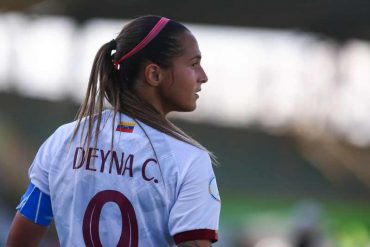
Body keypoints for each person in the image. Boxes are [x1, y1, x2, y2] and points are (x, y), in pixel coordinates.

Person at [6, 15, 221, 247]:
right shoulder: (188, 160)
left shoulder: (64, 140)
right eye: (193, 63)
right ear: (154, 74)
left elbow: (19, 241)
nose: (203, 76)